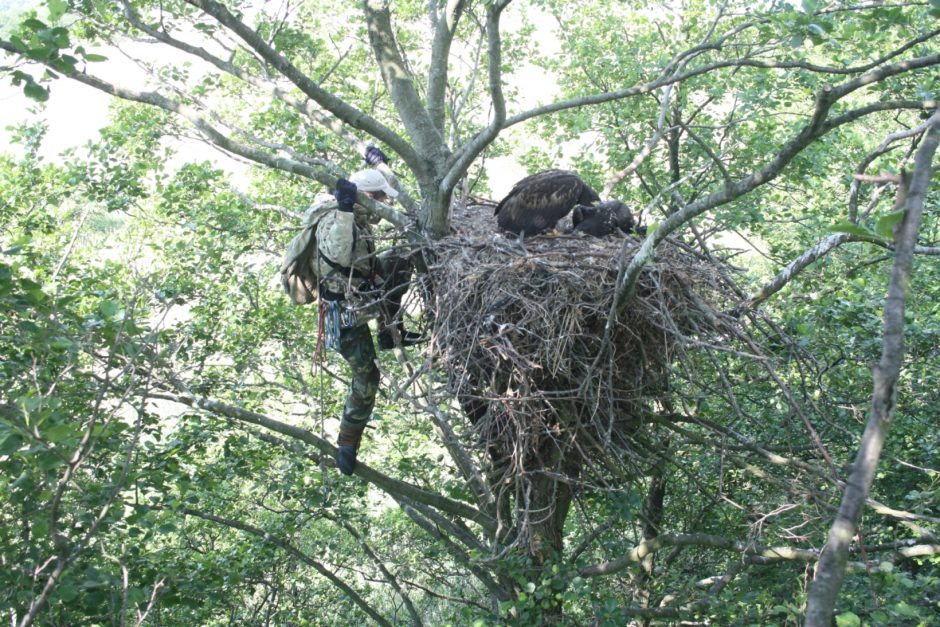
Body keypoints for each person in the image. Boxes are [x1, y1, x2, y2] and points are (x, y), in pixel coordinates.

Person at [316, 147, 424, 475]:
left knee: (403, 256)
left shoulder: (360, 206)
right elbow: (337, 254)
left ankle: (391, 331)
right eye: (380, 199)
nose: (386, 206)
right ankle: (347, 442)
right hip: (344, 313)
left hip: (365, 289)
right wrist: (347, 209)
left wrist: (380, 165)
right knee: (367, 376)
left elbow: (383, 192)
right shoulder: (338, 214)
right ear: (366, 197)